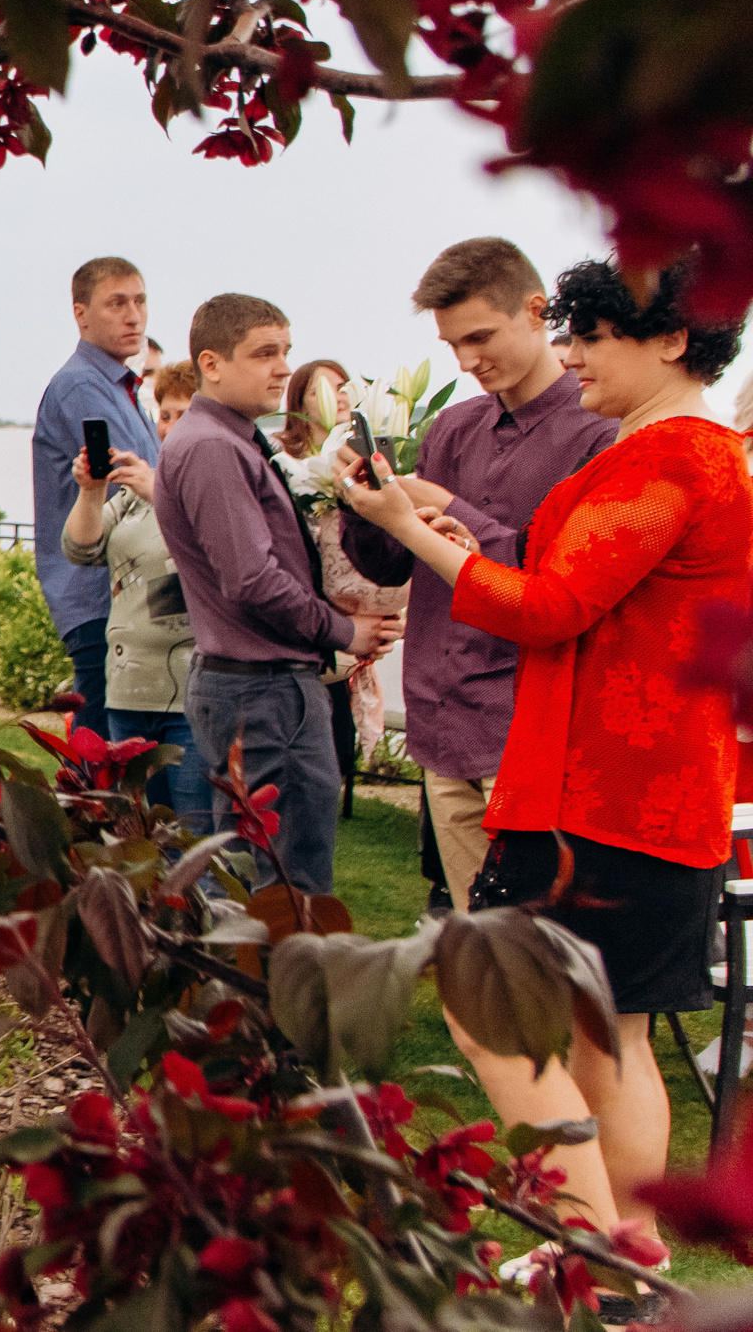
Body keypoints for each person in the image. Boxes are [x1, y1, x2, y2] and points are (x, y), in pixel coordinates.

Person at [340, 253, 749, 1260]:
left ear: (669, 339)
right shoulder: (696, 454)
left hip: (598, 794)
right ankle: (622, 1259)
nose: (570, 355)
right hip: (647, 789)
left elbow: (549, 606)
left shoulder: (671, 456)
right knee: (610, 1043)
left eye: (589, 335)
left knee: (485, 1009)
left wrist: (407, 527)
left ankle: (587, 1242)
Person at [339, 239, 614, 913]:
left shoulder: (598, 433)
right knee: (470, 939)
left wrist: (439, 505)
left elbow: (557, 578)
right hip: (440, 714)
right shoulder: (452, 428)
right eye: (453, 343)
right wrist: (366, 505)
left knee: (542, 936)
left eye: (480, 337)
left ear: (536, 310)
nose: (466, 361)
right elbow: (388, 564)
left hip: (530, 724)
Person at [152, 295, 401, 894]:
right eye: (265, 353)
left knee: (259, 875)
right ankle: (280, 989)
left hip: (256, 687)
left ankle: (262, 985)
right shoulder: (213, 447)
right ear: (211, 363)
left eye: (285, 351)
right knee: (284, 882)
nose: (283, 368)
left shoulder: (227, 439)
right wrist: (346, 632)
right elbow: (251, 580)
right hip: (262, 691)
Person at [62, 360, 213, 829]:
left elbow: (217, 566)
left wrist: (160, 496)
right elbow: (80, 548)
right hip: (128, 691)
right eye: (164, 415)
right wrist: (91, 492)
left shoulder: (214, 490)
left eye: (184, 414)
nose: (170, 427)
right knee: (136, 830)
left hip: (188, 694)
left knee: (191, 830)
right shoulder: (134, 492)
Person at [33, 258, 160, 738]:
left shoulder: (119, 388)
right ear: (81, 314)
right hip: (102, 600)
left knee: (124, 759)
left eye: (140, 300)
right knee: (103, 761)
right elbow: (135, 486)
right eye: (117, 303)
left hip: (123, 599)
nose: (134, 315)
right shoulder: (81, 387)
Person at [276, 358, 408, 786]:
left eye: (343, 384)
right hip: (305, 630)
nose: (341, 393)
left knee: (327, 773)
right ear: (300, 401)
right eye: (323, 387)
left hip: (348, 640)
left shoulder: (372, 462)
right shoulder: (282, 462)